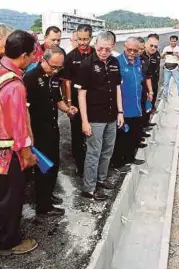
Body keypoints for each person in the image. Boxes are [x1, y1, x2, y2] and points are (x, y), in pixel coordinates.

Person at [24, 47, 78, 217]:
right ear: (43, 60)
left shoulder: (54, 78)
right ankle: (43, 205)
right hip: (37, 130)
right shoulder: (31, 78)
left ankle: (48, 195)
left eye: (58, 68)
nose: (55, 70)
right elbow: (23, 109)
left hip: (52, 127)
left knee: (53, 163)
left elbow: (57, 100)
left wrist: (68, 110)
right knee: (42, 167)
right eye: (52, 66)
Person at [0, 30, 38, 255]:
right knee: (10, 198)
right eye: (32, 54)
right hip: (6, 153)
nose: (34, 58)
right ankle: (8, 242)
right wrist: (27, 155)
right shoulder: (14, 85)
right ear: (23, 56)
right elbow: (19, 127)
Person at [77, 31, 124, 201]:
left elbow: (117, 88)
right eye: (100, 49)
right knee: (93, 153)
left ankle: (101, 179)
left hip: (111, 115)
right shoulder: (86, 65)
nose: (103, 52)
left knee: (107, 150)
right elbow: (81, 94)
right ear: (95, 46)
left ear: (113, 47)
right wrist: (84, 121)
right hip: (95, 117)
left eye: (107, 49)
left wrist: (120, 112)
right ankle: (89, 188)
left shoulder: (115, 62)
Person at [62, 24, 94, 177]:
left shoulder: (96, 53)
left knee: (93, 132)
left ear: (91, 38)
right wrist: (69, 104)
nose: (82, 42)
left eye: (85, 39)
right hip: (75, 100)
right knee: (77, 134)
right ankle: (80, 166)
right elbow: (66, 81)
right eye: (80, 39)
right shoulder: (70, 57)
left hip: (93, 101)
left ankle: (92, 164)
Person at [112, 37, 146, 171]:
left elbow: (140, 80)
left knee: (134, 134)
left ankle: (130, 157)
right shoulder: (118, 62)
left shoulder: (138, 62)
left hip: (136, 106)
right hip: (123, 107)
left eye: (135, 50)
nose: (131, 53)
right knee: (122, 137)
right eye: (129, 49)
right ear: (124, 47)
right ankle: (118, 164)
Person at [161, 35, 179, 101]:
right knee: (166, 83)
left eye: (174, 41)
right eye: (171, 41)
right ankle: (165, 96)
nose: (172, 42)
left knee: (178, 82)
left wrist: (177, 54)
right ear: (170, 41)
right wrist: (164, 53)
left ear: (176, 41)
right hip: (166, 68)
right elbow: (162, 57)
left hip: (175, 68)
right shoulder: (166, 48)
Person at [144, 33, 161, 116]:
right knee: (144, 104)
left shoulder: (157, 54)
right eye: (151, 45)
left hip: (154, 82)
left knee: (152, 102)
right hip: (144, 84)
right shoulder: (141, 54)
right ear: (146, 43)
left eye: (155, 46)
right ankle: (143, 125)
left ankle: (147, 122)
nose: (153, 48)